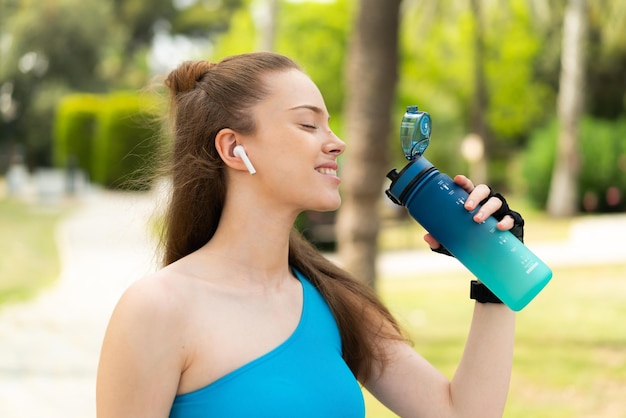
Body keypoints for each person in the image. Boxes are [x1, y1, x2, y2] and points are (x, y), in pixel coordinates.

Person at [96, 52, 521, 417]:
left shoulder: (337, 301)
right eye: (308, 125)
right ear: (232, 149)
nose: (337, 143)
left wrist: (496, 268)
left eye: (330, 125)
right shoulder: (156, 310)